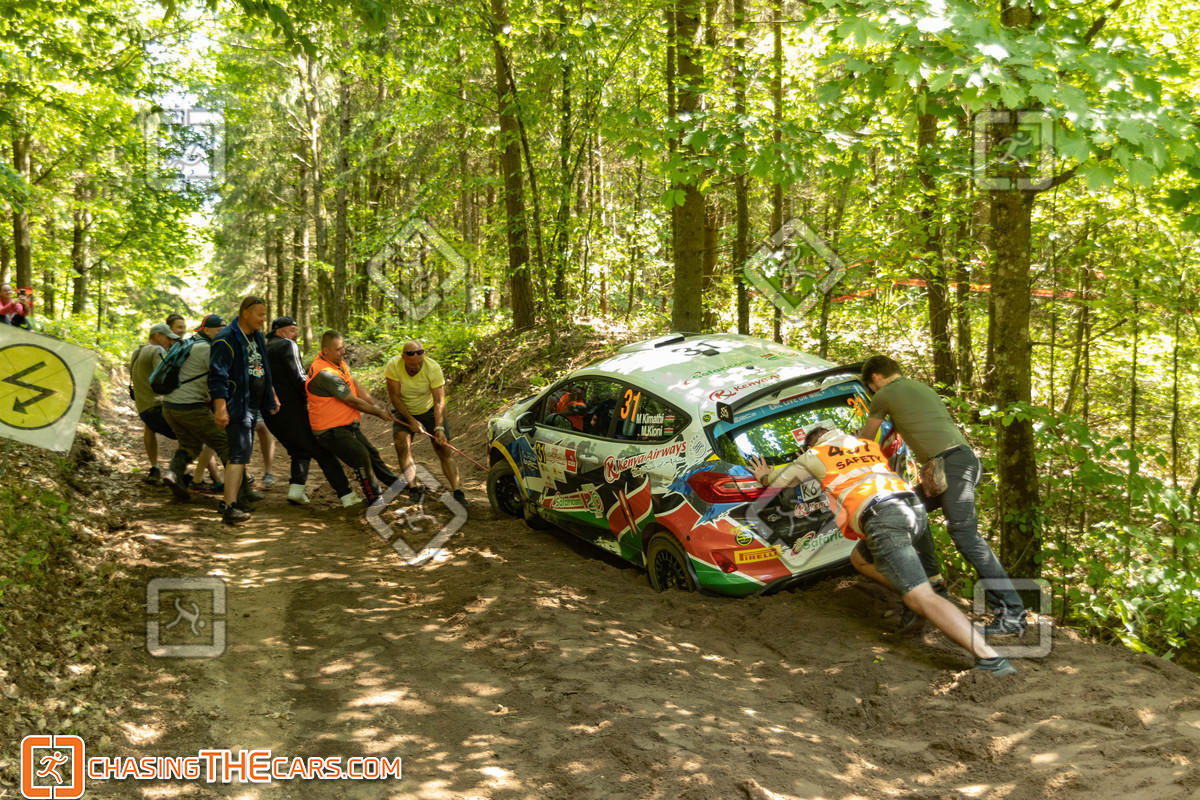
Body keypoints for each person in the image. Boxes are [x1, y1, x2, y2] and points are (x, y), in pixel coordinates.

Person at [749, 426, 1016, 676]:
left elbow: (776, 483)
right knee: (859, 559)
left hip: (884, 518)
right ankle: (916, 597)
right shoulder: (865, 445)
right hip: (913, 507)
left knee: (922, 596)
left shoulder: (814, 455)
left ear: (811, 445)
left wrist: (763, 474)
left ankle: (990, 658)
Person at [858, 355, 1028, 636]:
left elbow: (865, 442)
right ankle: (934, 583)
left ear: (875, 378)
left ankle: (1012, 613)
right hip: (955, 462)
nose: (872, 391)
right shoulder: (920, 387)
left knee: (965, 534)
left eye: (870, 387)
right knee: (909, 509)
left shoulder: (884, 394)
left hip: (952, 464)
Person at [162, 313, 261, 523]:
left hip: (170, 406)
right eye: (219, 330)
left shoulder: (189, 344)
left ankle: (173, 474)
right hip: (191, 407)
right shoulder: (207, 349)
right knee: (228, 446)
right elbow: (224, 374)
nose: (223, 333)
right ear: (206, 330)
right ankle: (239, 497)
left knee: (190, 444)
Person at [265, 316, 361, 507]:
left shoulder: (264, 348)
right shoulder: (287, 345)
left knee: (299, 449)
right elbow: (299, 376)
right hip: (292, 410)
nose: (296, 334)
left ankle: (296, 490)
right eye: (292, 330)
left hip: (270, 413)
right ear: (279, 331)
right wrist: (316, 396)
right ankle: (347, 495)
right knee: (322, 450)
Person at [306, 330, 398, 504]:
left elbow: (354, 383)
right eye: (338, 349)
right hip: (329, 430)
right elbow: (352, 401)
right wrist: (378, 412)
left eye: (343, 347)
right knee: (361, 456)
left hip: (345, 425)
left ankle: (396, 485)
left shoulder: (338, 363)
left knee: (372, 453)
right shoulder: (325, 373)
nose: (343, 352)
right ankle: (374, 497)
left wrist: (374, 404)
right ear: (325, 350)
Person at [209, 296, 278, 524]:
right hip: (237, 405)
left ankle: (235, 499)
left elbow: (263, 368)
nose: (263, 319)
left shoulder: (257, 336)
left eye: (264, 314)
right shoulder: (226, 339)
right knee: (237, 455)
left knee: (241, 454)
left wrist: (271, 394)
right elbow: (217, 377)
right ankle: (229, 506)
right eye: (260, 314)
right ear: (245, 313)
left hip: (253, 404)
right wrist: (221, 408)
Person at [384, 340, 464, 504]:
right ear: (403, 357)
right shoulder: (394, 365)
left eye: (419, 363)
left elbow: (439, 401)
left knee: (443, 448)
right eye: (412, 365)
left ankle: (457, 491)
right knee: (402, 445)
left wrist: (439, 427)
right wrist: (411, 420)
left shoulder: (432, 368)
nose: (416, 367)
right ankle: (413, 488)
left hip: (429, 410)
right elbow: (395, 398)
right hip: (404, 410)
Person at [129, 323, 181, 482]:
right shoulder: (157, 350)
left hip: (144, 409)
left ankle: (155, 468)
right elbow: (164, 378)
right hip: (158, 407)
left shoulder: (137, 352)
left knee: (150, 430)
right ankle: (177, 473)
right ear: (157, 335)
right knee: (192, 433)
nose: (169, 342)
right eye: (167, 338)